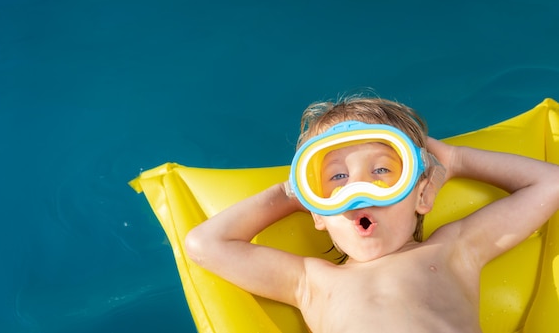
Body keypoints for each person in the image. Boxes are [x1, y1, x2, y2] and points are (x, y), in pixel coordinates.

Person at [184, 95, 559, 333]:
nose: (357, 191)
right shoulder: (310, 282)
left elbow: (550, 184)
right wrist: (290, 193)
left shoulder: (454, 249)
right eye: (336, 178)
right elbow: (205, 244)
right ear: (316, 210)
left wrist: (456, 161)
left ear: (422, 194)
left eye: (382, 171)